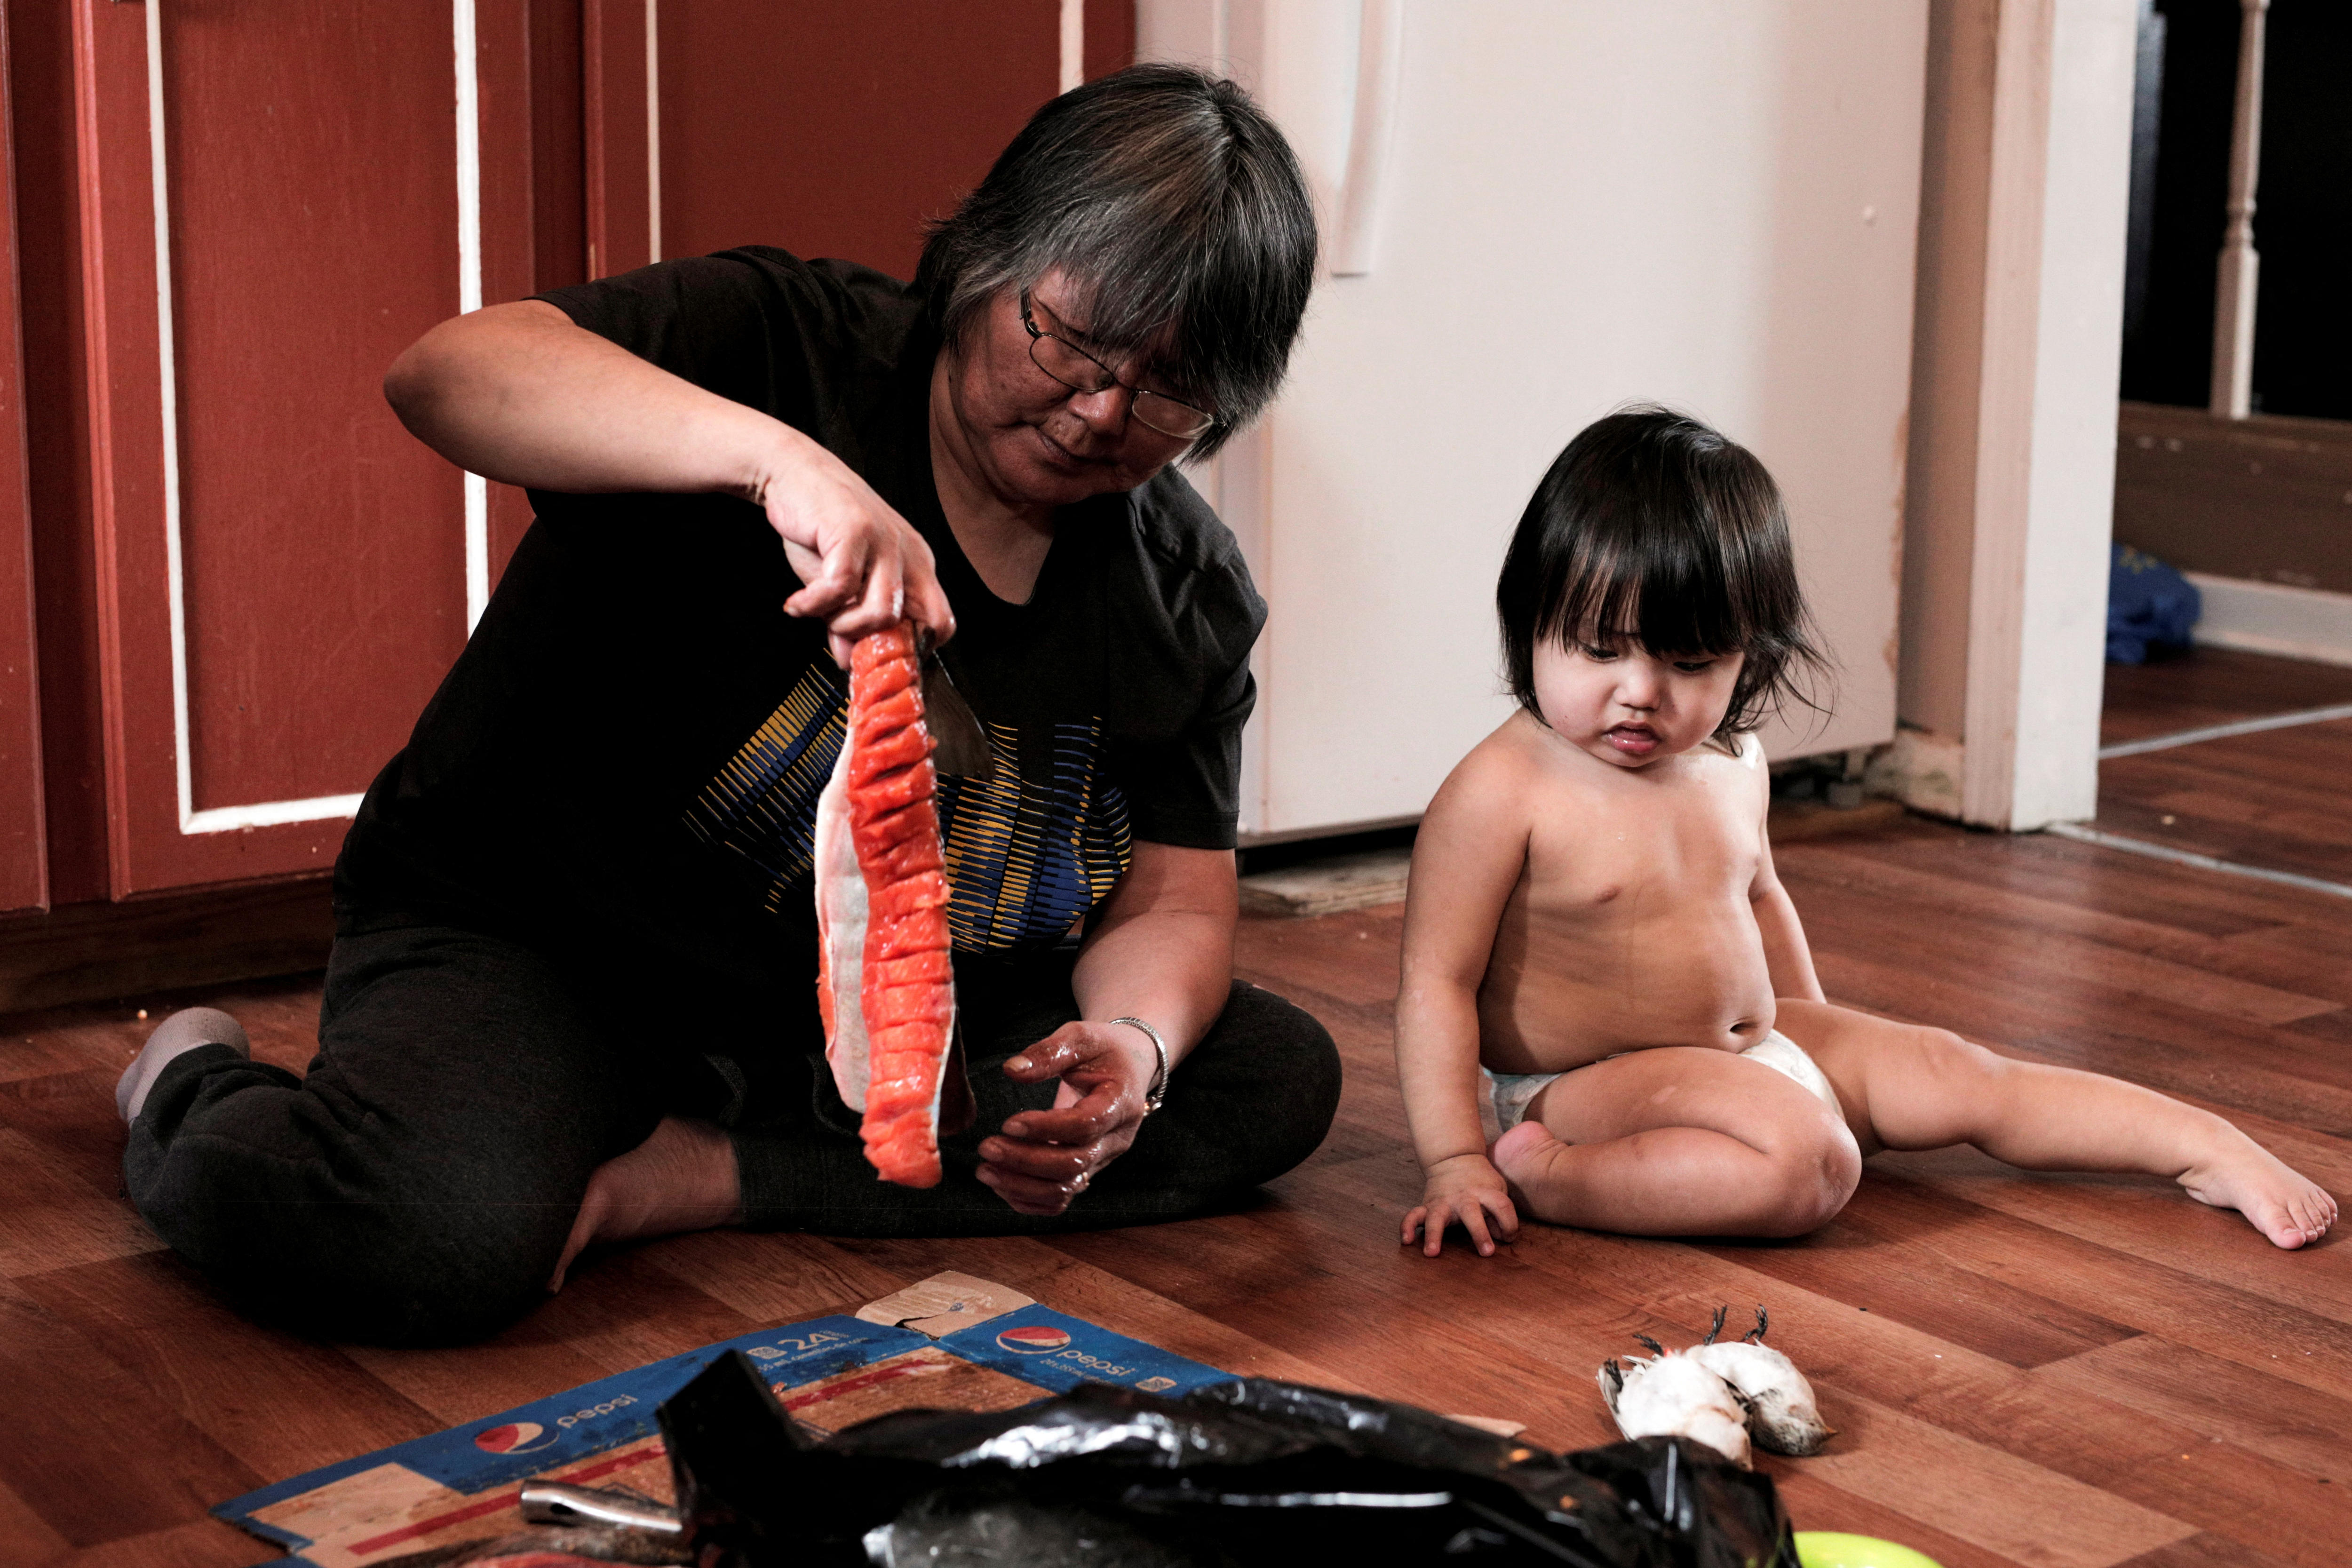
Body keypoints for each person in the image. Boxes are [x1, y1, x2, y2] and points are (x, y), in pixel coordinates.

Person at [114, 65, 1341, 1345]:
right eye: (1070, 340)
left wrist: (1133, 1044)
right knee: (434, 1232)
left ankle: (710, 1171)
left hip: (856, 1021)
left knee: (1266, 1075)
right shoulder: (783, 345)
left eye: (1166, 392)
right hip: (552, 945)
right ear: (991, 256)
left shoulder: (1186, 592)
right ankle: (186, 1087)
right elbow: (448, 372)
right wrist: (776, 466)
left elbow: (1178, 896)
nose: (1101, 411)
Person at [1395, 406, 2337, 1258]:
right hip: (1587, 1085)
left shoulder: (1731, 757)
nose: (1640, 689)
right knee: (1806, 1161)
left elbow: (1756, 894)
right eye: (1599, 649)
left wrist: (1816, 1042)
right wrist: (1453, 1157)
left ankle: (2203, 1146)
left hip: (1752, 1048)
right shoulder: (1502, 789)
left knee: (1957, 1069)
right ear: (1530, 625)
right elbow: (1436, 982)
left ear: (1745, 656)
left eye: (1688, 661)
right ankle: (1549, 1173)